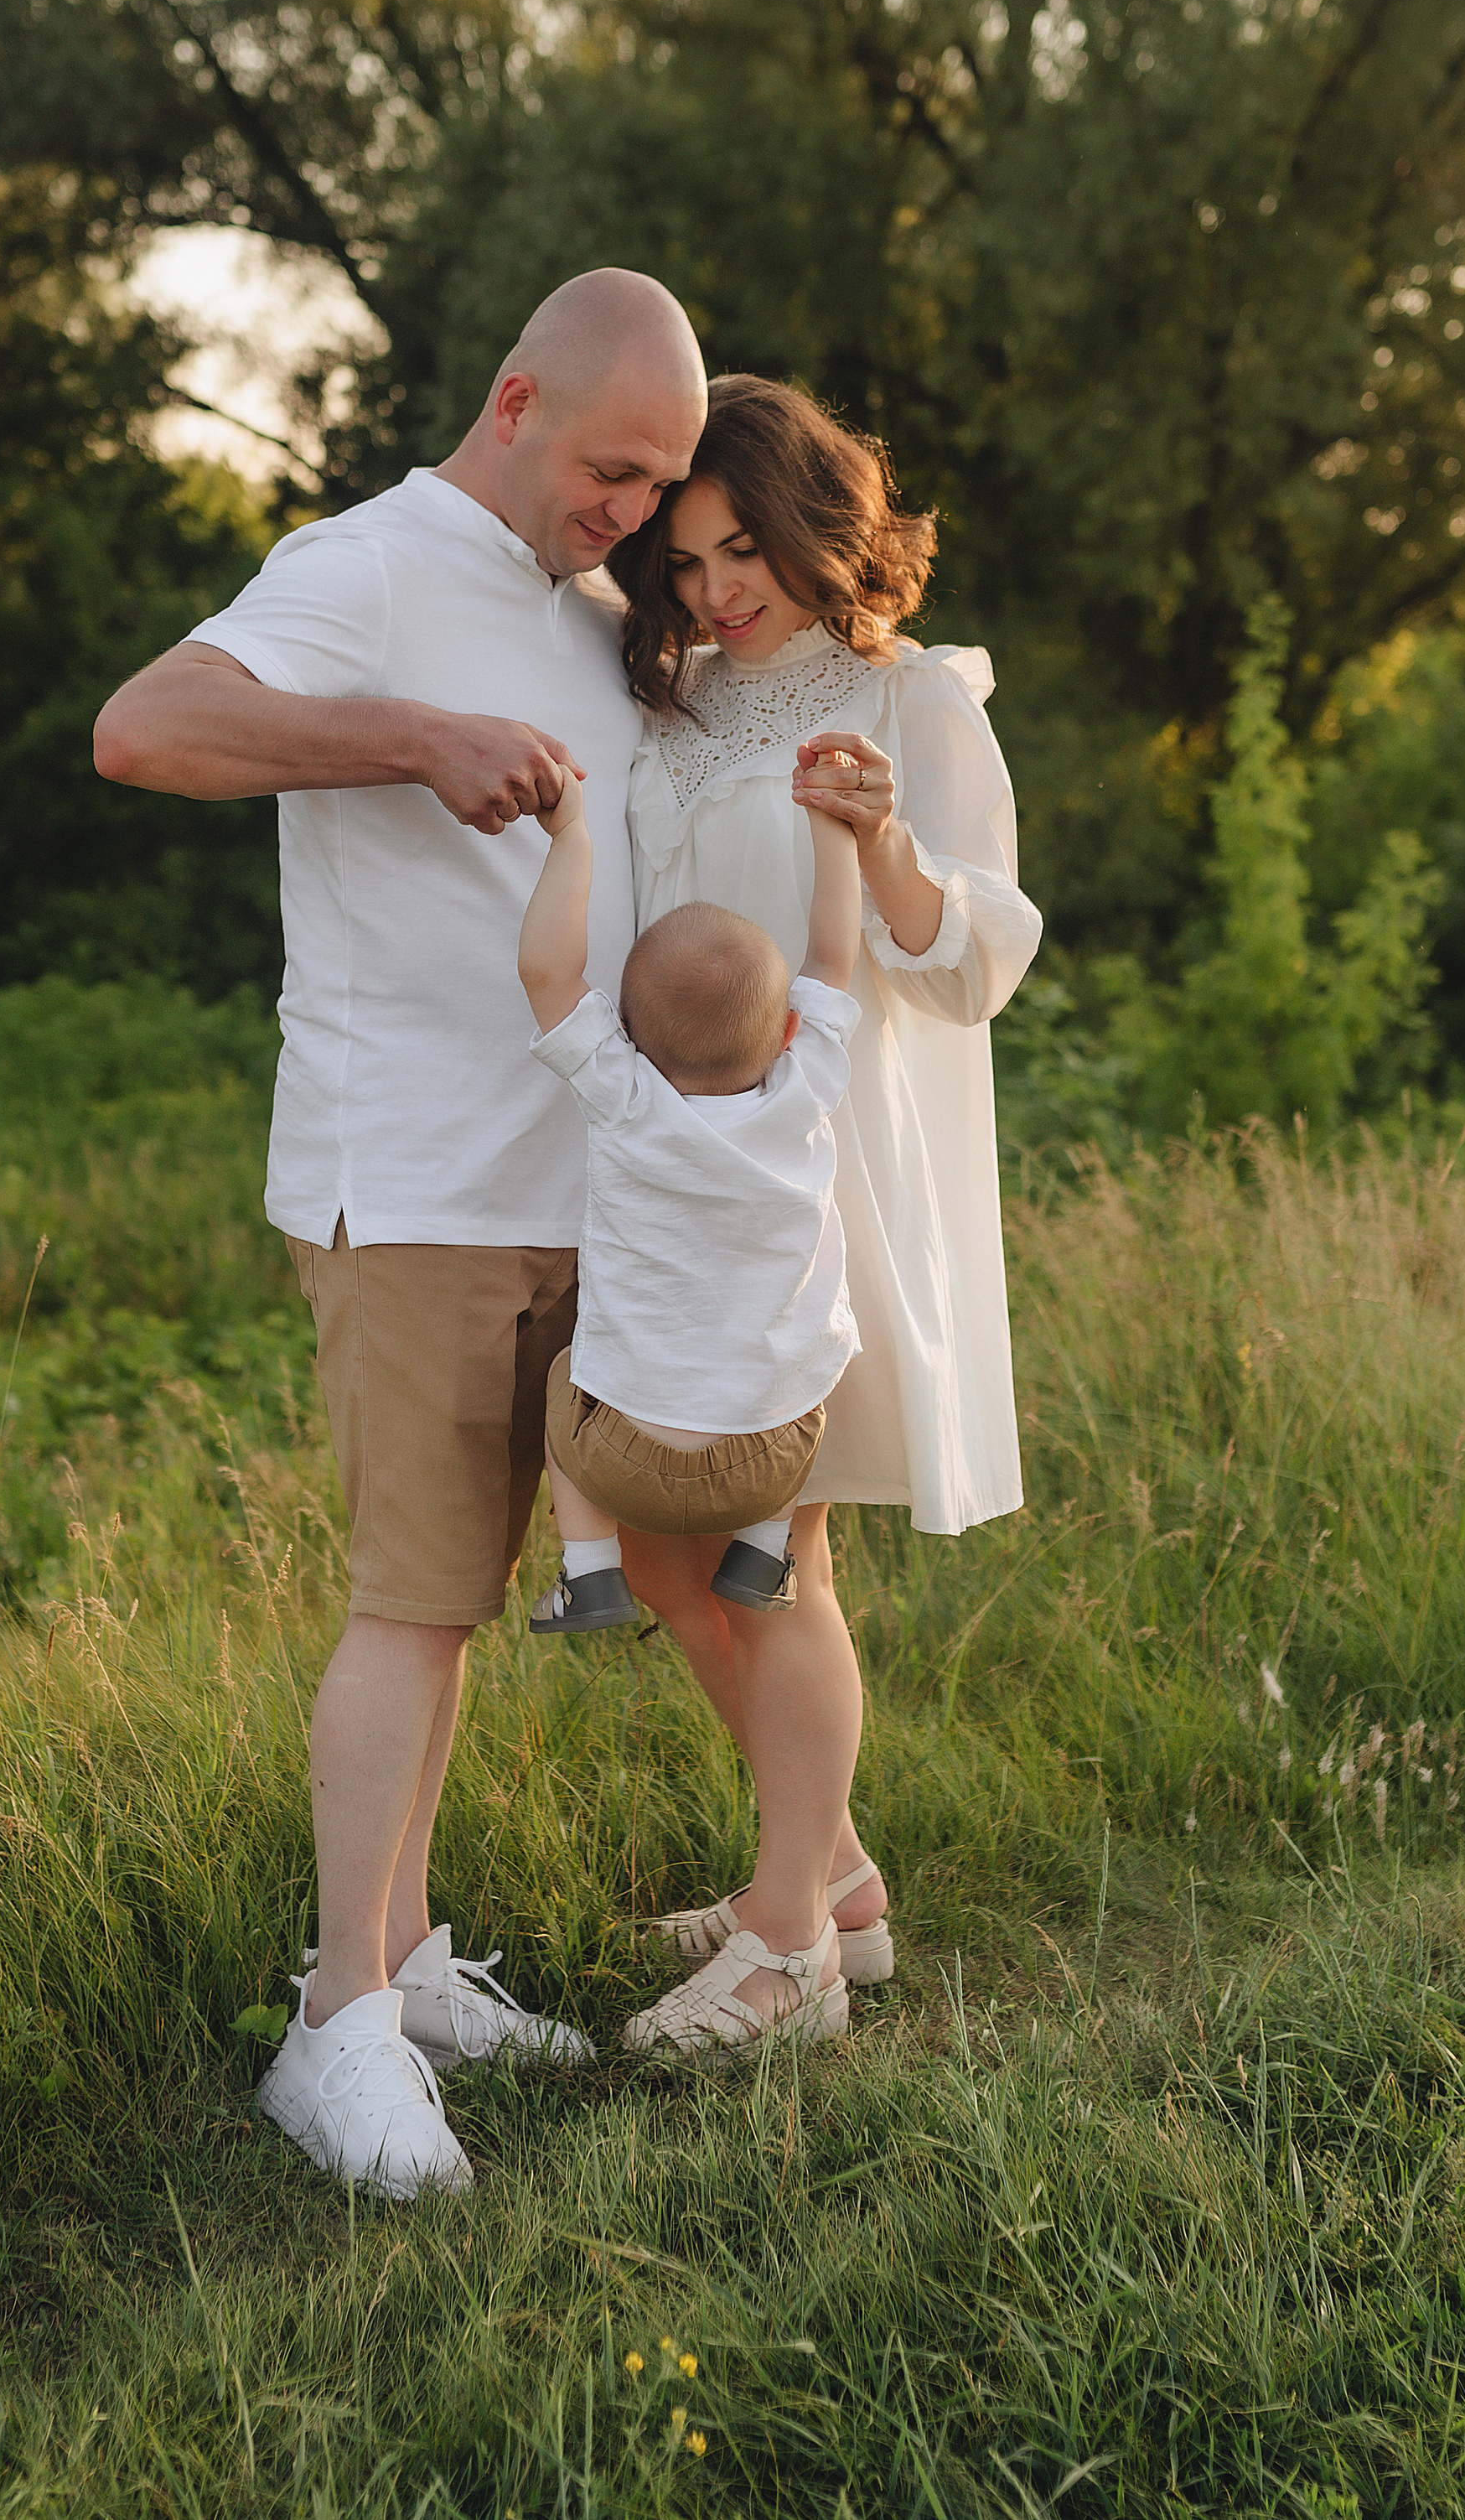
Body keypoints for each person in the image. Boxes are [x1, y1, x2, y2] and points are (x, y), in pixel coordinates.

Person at [92, 267, 707, 2197]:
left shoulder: (598, 609)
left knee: (454, 1607)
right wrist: (412, 739)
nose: (633, 510)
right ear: (514, 401)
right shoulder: (361, 563)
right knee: (407, 1601)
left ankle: (407, 1963)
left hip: (567, 1183)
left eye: (659, 483)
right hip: (415, 1180)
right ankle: (331, 2031)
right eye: (615, 467)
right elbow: (145, 727)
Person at [605, 373, 1043, 2005]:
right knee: (666, 1542)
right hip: (672, 1171)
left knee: (763, 1551)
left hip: (816, 1172)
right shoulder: (666, 699)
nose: (715, 588)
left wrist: (882, 850)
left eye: (740, 549)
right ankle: (832, 1866)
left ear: (807, 524)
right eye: (686, 559)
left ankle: (790, 1938)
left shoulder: (911, 692)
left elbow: (979, 953)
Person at [516, 766, 863, 1635]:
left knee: (565, 1372)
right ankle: (763, 1548)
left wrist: (571, 837)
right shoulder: (806, 1085)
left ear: (628, 1038)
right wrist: (832, 822)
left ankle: (589, 1570)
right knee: (819, 1359)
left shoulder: (623, 1097)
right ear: (786, 1030)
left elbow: (547, 971)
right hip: (772, 1460)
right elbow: (834, 954)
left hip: (623, 1460)